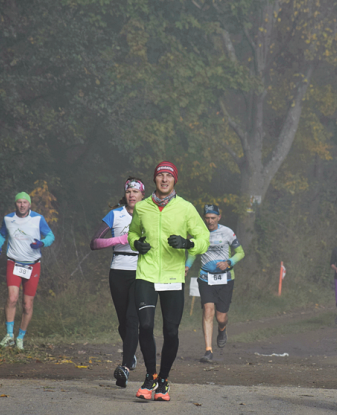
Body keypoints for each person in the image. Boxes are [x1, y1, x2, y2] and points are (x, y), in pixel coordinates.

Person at [127, 161, 210, 401]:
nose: (164, 180)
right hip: (147, 274)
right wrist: (136, 244)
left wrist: (188, 244)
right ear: (155, 180)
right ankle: (150, 376)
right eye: (160, 175)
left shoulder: (185, 208)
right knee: (145, 326)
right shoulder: (142, 208)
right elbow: (133, 233)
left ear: (175, 180)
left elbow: (203, 237)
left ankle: (163, 380)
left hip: (173, 277)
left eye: (169, 176)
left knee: (171, 331)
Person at [89, 178, 145, 387]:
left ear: (142, 195)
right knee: (123, 323)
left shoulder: (148, 213)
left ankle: (125, 368)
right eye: (129, 191)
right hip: (118, 271)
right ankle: (130, 356)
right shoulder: (115, 214)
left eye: (136, 191)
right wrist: (119, 240)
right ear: (125, 194)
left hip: (141, 271)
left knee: (133, 320)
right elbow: (94, 243)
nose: (132, 195)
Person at [0, 192, 55, 350]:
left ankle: (20, 338)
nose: (22, 205)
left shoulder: (38, 218)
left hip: (32, 265)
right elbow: (1, 234)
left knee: (27, 304)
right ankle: (9, 335)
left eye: (25, 202)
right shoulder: (8, 219)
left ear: (29, 204)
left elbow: (50, 235)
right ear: (16, 204)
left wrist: (42, 243)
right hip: (13, 262)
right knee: (12, 298)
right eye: (19, 202)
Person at [185, 204, 245, 363]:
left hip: (226, 279)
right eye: (207, 218)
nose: (210, 221)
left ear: (219, 217)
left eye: (213, 218)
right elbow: (192, 252)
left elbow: (241, 253)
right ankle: (208, 350)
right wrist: (187, 266)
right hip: (205, 278)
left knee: (221, 317)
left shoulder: (227, 232)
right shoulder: (199, 232)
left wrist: (229, 262)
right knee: (208, 310)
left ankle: (222, 329)